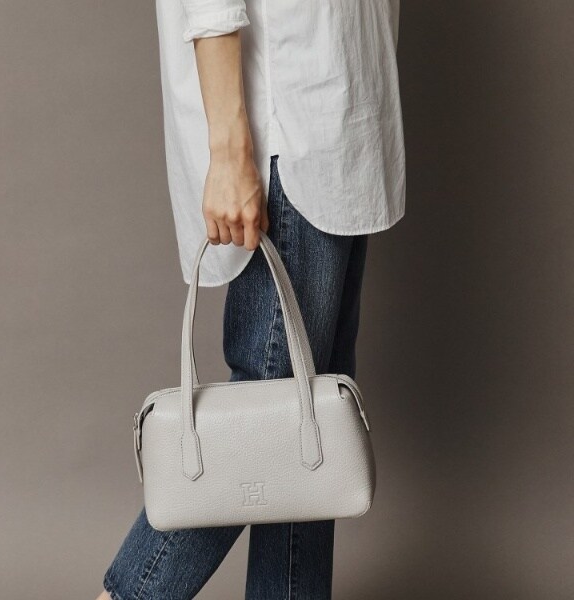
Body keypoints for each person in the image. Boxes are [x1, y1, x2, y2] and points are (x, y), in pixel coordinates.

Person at [98, 1, 405, 598]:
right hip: (288, 125)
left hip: (341, 114)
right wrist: (230, 152)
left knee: (312, 420)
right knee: (272, 415)